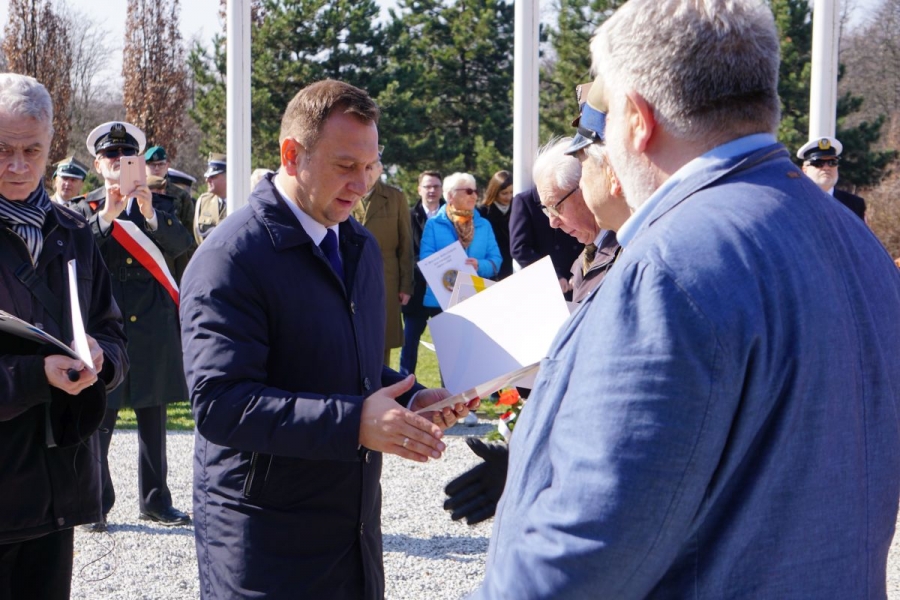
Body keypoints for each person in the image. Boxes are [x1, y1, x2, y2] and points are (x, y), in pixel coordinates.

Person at [473, 1, 900, 597]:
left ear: (637, 119)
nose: (599, 149)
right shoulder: (857, 242)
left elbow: (585, 550)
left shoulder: (669, 265)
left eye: (600, 125)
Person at [180, 79, 475, 599]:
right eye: (345, 166)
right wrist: (355, 423)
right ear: (291, 156)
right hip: (264, 544)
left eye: (371, 167)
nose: (362, 184)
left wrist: (408, 400)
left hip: (349, 534)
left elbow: (342, 366)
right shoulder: (231, 258)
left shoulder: (357, 244)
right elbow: (221, 404)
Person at [0, 73, 127, 598]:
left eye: (31, 150)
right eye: (3, 150)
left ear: (52, 144)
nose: (18, 166)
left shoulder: (74, 231)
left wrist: (102, 359)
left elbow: (112, 331)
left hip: (59, 482)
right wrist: (36, 376)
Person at [73, 121, 194, 531]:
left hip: (151, 325)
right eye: (111, 155)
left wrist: (149, 214)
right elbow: (76, 255)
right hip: (105, 327)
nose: (118, 161)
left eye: (127, 155)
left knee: (152, 419)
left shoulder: (158, 204)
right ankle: (95, 503)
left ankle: (156, 501)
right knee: (100, 419)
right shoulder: (84, 209)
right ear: (97, 164)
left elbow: (183, 247)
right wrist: (106, 217)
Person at [352, 153, 413, 365]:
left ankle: (381, 379)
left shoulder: (395, 197)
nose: (366, 173)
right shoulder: (345, 193)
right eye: (362, 167)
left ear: (380, 170)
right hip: (352, 275)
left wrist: (406, 285)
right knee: (353, 333)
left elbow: (406, 244)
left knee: (383, 336)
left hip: (386, 277)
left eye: (371, 167)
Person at [399, 170, 445, 377]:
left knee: (447, 347)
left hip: (444, 291)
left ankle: (449, 391)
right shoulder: (407, 216)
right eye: (427, 186)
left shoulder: (451, 216)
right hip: (416, 290)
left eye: (436, 186)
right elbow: (403, 250)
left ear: (442, 189)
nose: (432, 190)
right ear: (419, 189)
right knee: (409, 345)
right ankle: (404, 388)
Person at [509, 185, 583, 298]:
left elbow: (588, 237)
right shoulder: (525, 200)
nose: (553, 222)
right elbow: (519, 248)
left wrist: (580, 270)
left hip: (577, 282)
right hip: (544, 286)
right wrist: (552, 275)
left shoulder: (572, 193)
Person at [145, 145, 197, 281]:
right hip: (142, 261)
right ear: (144, 166)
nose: (156, 168)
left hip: (172, 265)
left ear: (167, 165)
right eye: (152, 165)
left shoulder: (180, 196)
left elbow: (190, 233)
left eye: (160, 164)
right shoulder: (135, 193)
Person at [798, 136, 867, 221]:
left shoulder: (854, 204)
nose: (826, 168)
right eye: (818, 163)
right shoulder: (794, 202)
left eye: (832, 162)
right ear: (805, 170)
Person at [476, 170, 514, 279]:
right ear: (494, 192)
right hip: (492, 268)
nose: (508, 197)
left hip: (513, 267)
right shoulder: (482, 212)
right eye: (504, 193)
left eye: (511, 192)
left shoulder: (518, 208)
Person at [194, 152, 227, 245]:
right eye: (207, 176)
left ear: (228, 176)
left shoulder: (242, 201)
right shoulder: (204, 202)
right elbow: (198, 237)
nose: (207, 180)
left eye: (213, 176)